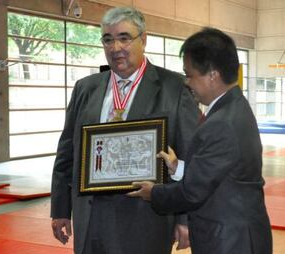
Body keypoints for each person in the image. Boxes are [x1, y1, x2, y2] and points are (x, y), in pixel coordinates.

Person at [50, 6, 199, 254]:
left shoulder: (174, 88)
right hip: (91, 215)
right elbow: (67, 152)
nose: (115, 48)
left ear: (143, 39)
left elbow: (190, 156)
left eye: (124, 38)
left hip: (146, 216)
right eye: (108, 40)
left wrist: (184, 218)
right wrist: (61, 209)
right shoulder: (86, 88)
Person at [127, 27, 273, 254]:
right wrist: (178, 167)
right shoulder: (234, 106)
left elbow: (192, 192)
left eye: (190, 74)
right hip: (237, 234)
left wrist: (153, 193)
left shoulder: (222, 122)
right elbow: (219, 173)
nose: (187, 82)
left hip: (230, 241)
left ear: (212, 76)